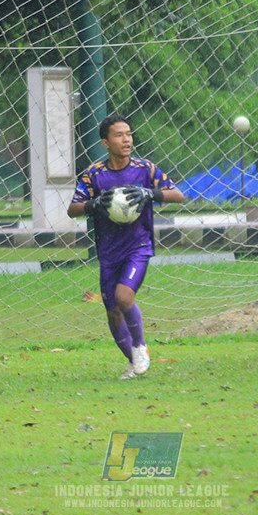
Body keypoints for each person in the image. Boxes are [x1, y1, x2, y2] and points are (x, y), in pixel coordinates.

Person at [67, 115, 185, 380]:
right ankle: (132, 362)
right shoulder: (94, 175)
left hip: (138, 246)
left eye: (129, 134)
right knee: (112, 313)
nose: (127, 139)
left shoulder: (145, 169)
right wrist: (93, 204)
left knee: (123, 297)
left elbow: (178, 195)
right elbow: (72, 209)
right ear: (105, 143)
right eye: (119, 135)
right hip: (108, 251)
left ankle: (140, 346)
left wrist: (149, 193)